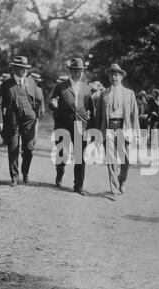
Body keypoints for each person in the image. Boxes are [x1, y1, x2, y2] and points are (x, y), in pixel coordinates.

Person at [49, 58, 94, 195]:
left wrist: (92, 127)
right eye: (76, 71)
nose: (78, 73)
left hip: (80, 124)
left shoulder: (87, 88)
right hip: (62, 122)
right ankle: (60, 173)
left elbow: (91, 108)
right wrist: (54, 105)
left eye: (81, 71)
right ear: (71, 71)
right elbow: (52, 101)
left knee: (80, 156)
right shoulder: (61, 86)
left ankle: (78, 186)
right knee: (62, 152)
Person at [0, 56, 44, 187]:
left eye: (25, 68)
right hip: (12, 121)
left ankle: (26, 173)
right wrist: (0, 122)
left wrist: (36, 114)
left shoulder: (31, 83)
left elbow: (37, 101)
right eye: (21, 68)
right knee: (13, 148)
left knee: (29, 149)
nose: (24, 70)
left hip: (29, 120)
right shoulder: (6, 84)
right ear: (14, 69)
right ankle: (14, 177)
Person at [96, 63, 140, 197]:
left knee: (125, 159)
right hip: (109, 128)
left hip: (123, 128)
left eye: (116, 74)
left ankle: (123, 181)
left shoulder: (129, 94)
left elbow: (134, 114)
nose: (114, 77)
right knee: (111, 160)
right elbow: (98, 115)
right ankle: (114, 188)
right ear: (109, 77)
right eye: (111, 75)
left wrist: (136, 133)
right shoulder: (104, 94)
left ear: (121, 77)